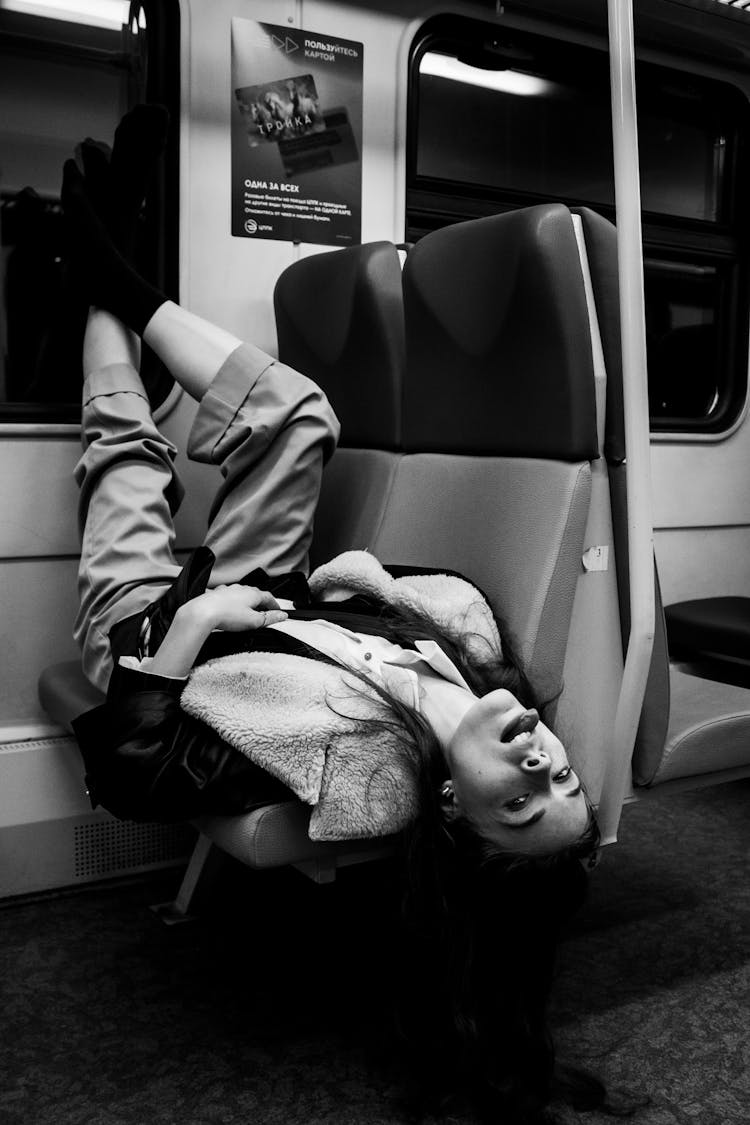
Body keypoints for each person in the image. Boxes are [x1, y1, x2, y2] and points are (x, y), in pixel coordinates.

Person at [61, 107, 614, 1125]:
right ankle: (120, 272)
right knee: (305, 415)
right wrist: (362, 587)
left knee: (126, 454)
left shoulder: (361, 777)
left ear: (452, 811)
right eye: (565, 774)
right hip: (272, 600)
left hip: (154, 642)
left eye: (523, 802)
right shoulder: (482, 666)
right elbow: (371, 608)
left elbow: (130, 770)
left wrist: (186, 631)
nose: (544, 761)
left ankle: (96, 261)